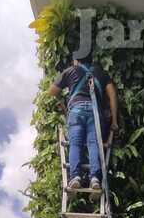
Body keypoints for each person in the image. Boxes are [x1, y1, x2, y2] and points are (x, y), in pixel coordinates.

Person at [48, 53, 119, 191]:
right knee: (94, 144)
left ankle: (75, 177)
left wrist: (63, 104)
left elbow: (51, 92)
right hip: (95, 112)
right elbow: (113, 95)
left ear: (76, 60)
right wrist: (114, 120)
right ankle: (95, 179)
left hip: (76, 111)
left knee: (75, 144)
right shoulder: (101, 73)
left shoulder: (70, 71)